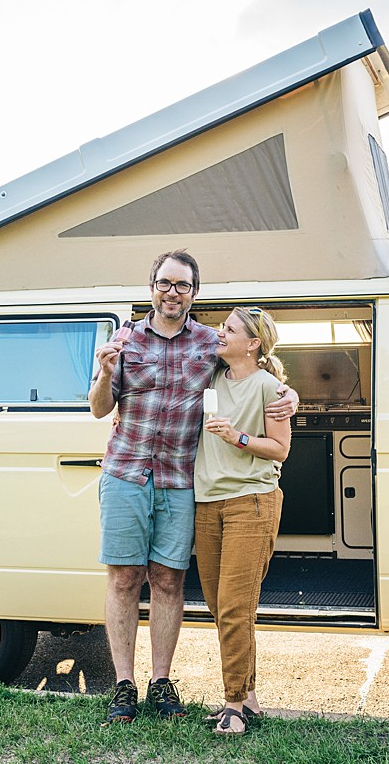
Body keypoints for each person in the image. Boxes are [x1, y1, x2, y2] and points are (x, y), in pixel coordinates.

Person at [88, 251, 298, 725]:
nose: (172, 292)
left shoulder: (209, 343)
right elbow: (100, 409)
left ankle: (162, 682)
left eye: (182, 285)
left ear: (194, 293)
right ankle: (124, 685)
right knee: (123, 578)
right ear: (151, 287)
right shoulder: (123, 340)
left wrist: (289, 394)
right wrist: (104, 373)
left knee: (168, 580)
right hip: (125, 472)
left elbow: (258, 372)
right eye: (165, 283)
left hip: (182, 480)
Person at [193, 307, 291, 735]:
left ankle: (233, 704)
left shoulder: (270, 388)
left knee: (234, 607)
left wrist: (238, 438)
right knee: (222, 607)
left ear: (253, 344)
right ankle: (248, 696)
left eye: (229, 329)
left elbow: (280, 449)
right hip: (207, 502)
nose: (220, 332)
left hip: (250, 502)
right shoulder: (210, 379)